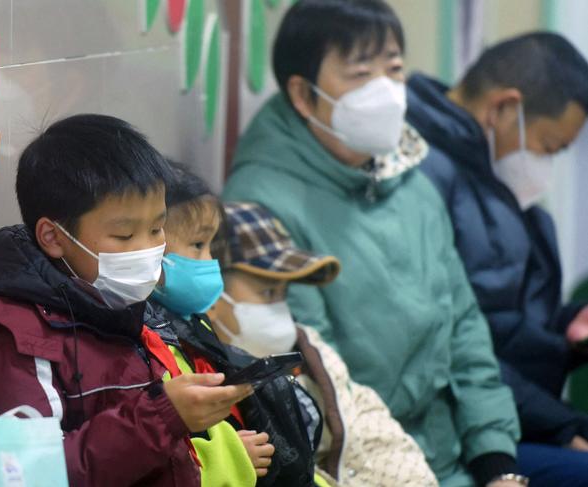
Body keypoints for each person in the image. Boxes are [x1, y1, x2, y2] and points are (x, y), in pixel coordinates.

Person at [223, 1, 524, 486]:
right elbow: (326, 378)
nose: (385, 90)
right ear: (302, 94)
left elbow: (465, 329)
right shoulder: (261, 203)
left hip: (452, 454)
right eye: (360, 72)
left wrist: (497, 461)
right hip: (364, 466)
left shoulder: (411, 179)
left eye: (395, 69)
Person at [0, 114, 253, 487]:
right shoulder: (11, 338)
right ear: (53, 237)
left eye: (157, 229)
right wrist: (162, 416)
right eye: (124, 236)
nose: (147, 249)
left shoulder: (116, 306)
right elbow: (27, 478)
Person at [406, 32, 588, 485]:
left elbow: (505, 321)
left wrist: (570, 328)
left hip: (514, 412)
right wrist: (562, 425)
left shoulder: (488, 179)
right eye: (548, 147)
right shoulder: (423, 177)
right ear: (505, 107)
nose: (546, 166)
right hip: (467, 426)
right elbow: (456, 340)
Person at [209, 200, 439, 487]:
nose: (281, 309)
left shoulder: (309, 350)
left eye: (284, 293)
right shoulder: (203, 378)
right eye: (267, 291)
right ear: (211, 291)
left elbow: (373, 432)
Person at [148, 162, 320, 487]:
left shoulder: (192, 331)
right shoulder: (145, 344)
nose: (210, 262)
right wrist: (229, 459)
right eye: (198, 245)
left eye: (212, 246)